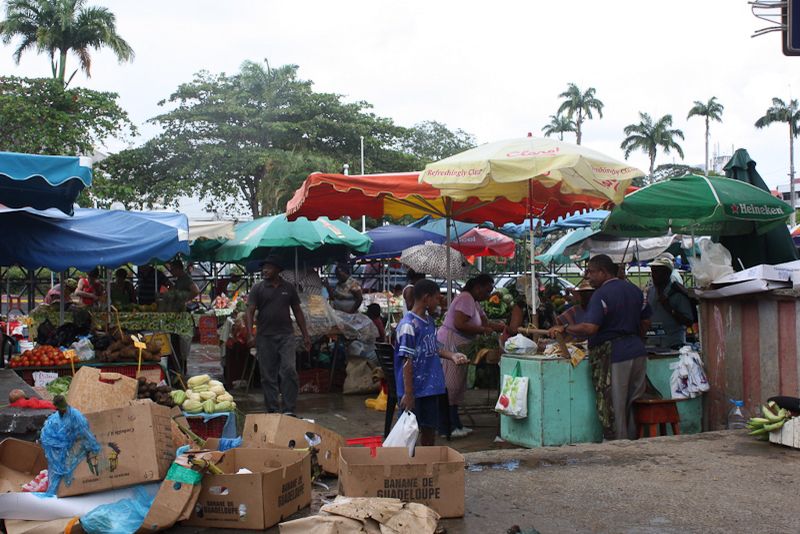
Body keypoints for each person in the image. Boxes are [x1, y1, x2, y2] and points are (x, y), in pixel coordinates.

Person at [549, 254, 651, 440]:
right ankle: (636, 442)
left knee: (615, 404)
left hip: (615, 354)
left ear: (603, 272)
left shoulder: (601, 294)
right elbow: (646, 322)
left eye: (591, 272)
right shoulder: (636, 290)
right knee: (634, 401)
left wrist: (564, 327)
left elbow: (590, 327)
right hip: (637, 351)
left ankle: (619, 446)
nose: (588, 276)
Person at [395, 279, 469, 446]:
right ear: (426, 299)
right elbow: (407, 360)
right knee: (408, 432)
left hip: (430, 388)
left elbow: (432, 347)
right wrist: (408, 393)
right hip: (414, 389)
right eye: (437, 298)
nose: (439, 302)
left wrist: (452, 355)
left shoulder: (428, 321)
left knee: (429, 429)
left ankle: (426, 463)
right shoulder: (408, 325)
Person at [437, 274, 505, 438]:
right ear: (477, 287)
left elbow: (484, 322)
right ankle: (449, 426)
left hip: (462, 345)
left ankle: (456, 423)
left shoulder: (474, 302)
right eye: (486, 291)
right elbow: (460, 324)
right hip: (451, 343)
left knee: (459, 385)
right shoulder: (465, 298)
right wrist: (483, 331)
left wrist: (502, 327)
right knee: (451, 385)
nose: (488, 295)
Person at [246, 255, 311, 416]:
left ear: (278, 270)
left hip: (286, 336)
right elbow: (250, 311)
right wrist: (250, 334)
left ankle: (289, 408)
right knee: (268, 375)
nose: (264, 270)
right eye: (263, 267)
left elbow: (297, 311)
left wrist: (305, 334)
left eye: (268, 267)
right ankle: (273, 409)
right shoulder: (258, 288)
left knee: (289, 370)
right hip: (265, 337)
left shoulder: (288, 288)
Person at [645, 257, 694, 349]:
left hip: (673, 343)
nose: (653, 275)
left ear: (667, 273)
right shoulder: (651, 291)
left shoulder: (677, 293)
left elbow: (688, 321)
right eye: (653, 271)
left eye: (657, 272)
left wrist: (669, 308)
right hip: (653, 343)